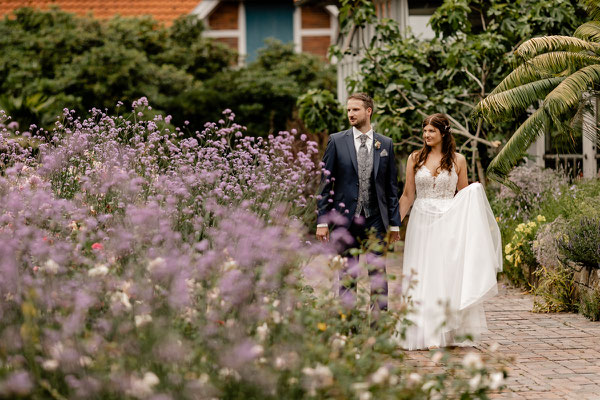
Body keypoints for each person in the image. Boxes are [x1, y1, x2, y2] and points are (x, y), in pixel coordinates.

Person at [396, 113, 502, 350]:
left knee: (444, 274)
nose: (426, 135)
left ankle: (443, 329)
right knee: (422, 272)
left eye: (431, 131)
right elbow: (407, 195)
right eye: (424, 131)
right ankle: (423, 331)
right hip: (421, 220)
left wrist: (474, 194)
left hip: (448, 220)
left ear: (443, 133)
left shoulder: (459, 160)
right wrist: (395, 223)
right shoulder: (414, 158)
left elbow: (463, 196)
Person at [316, 93, 401, 311]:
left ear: (368, 111)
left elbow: (392, 188)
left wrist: (394, 223)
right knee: (347, 273)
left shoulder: (386, 144)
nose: (351, 114)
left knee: (378, 274)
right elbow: (325, 183)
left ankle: (379, 326)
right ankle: (348, 323)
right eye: (348, 110)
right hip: (345, 219)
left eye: (355, 109)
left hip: (376, 220)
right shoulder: (337, 141)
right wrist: (322, 221)